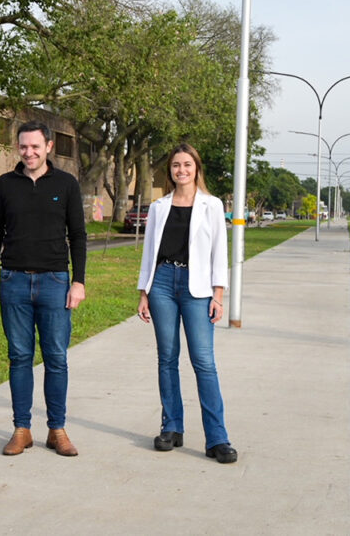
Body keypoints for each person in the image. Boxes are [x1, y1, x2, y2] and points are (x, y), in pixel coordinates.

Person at [0, 120, 87, 457]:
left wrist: (79, 281)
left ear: (49, 147)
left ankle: (57, 429)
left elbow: (79, 236)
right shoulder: (5, 185)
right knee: (19, 358)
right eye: (23, 147)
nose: (29, 152)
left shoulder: (67, 184)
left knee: (56, 358)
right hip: (13, 281)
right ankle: (22, 429)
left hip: (55, 282)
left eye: (35, 147)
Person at [136, 143, 237, 464]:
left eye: (187, 165)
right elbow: (149, 252)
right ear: (170, 171)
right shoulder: (159, 207)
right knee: (167, 358)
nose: (181, 170)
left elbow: (220, 252)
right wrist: (144, 293)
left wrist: (218, 295)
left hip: (198, 288)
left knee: (204, 362)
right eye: (176, 165)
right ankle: (172, 427)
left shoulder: (212, 205)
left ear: (197, 168)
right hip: (162, 284)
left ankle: (217, 438)